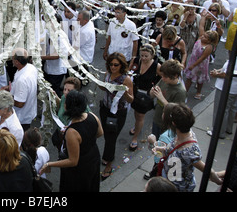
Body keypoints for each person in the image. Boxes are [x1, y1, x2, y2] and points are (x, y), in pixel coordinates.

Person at [39, 90, 103, 191]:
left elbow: (73, 161)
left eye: (65, 102)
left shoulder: (72, 132)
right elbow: (99, 133)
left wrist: (49, 164)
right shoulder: (92, 116)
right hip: (93, 158)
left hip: (80, 170)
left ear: (67, 107)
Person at [156, 103, 222, 191]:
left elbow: (208, 170)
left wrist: (217, 180)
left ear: (174, 123)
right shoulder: (184, 131)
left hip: (178, 187)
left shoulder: (189, 151)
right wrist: (161, 149)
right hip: (167, 177)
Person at [98, 52, 134, 180]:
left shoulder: (126, 79)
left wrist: (125, 93)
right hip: (105, 109)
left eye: (116, 65)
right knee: (107, 136)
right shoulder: (108, 74)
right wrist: (100, 84)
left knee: (111, 138)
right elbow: (103, 89)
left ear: (121, 65)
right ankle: (107, 156)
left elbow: (131, 100)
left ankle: (109, 164)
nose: (113, 67)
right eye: (110, 64)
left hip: (118, 113)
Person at [209, 35, 237, 139]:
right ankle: (228, 128)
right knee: (231, 108)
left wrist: (216, 74)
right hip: (236, 88)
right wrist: (219, 70)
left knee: (221, 110)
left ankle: (218, 132)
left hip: (228, 88)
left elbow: (228, 74)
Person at [128, 44, 161, 151]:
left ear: (152, 55)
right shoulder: (136, 60)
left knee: (140, 115)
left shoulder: (157, 66)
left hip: (146, 95)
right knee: (136, 113)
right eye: (142, 55)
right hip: (135, 91)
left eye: (146, 56)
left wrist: (155, 87)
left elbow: (163, 77)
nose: (143, 58)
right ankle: (136, 126)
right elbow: (129, 72)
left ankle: (135, 138)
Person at [2, 48, 38, 131]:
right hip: (29, 111)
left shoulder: (22, 80)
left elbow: (20, 103)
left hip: (21, 117)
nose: (11, 59)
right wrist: (8, 88)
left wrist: (5, 98)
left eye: (12, 58)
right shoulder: (31, 67)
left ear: (17, 62)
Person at [150, 59, 186, 139]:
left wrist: (161, 98)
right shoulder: (164, 81)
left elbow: (176, 112)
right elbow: (152, 95)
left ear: (175, 76)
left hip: (167, 126)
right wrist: (152, 92)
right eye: (162, 76)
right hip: (157, 119)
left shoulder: (180, 92)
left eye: (165, 76)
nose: (162, 78)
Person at [183, 30, 218, 100]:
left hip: (200, 65)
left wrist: (193, 65)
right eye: (203, 35)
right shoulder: (199, 39)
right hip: (192, 60)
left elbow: (202, 58)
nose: (202, 37)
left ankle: (198, 92)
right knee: (189, 78)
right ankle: (184, 92)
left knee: (200, 79)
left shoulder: (209, 47)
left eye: (205, 37)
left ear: (210, 41)